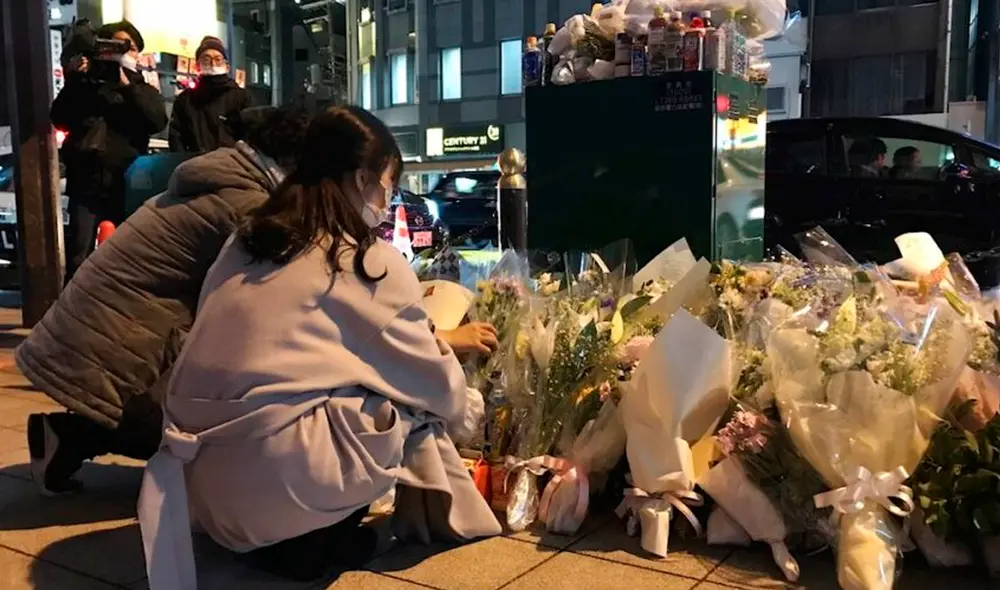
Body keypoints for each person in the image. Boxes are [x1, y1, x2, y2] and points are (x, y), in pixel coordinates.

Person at [17, 102, 498, 497]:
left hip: (94, 335)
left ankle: (73, 437)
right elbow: (347, 307)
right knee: (191, 429)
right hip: (110, 346)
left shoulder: (230, 185)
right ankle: (75, 437)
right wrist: (439, 340)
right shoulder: (253, 214)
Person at [137, 105, 502, 587]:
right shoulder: (365, 261)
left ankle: (290, 533)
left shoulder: (247, 241)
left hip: (196, 488)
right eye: (388, 184)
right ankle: (312, 537)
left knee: (339, 385)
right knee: (402, 405)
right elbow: (438, 388)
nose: (387, 199)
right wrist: (469, 404)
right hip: (271, 486)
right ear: (362, 178)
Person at [52, 20, 168, 281]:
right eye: (116, 46)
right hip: (87, 182)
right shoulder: (86, 83)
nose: (124, 53)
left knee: (127, 253)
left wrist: (129, 86)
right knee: (79, 254)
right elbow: (59, 118)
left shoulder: (142, 86)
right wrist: (75, 80)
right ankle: (74, 312)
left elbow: (157, 121)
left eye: (131, 48)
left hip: (127, 183)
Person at [168, 36, 253, 153]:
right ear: (197, 65)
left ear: (227, 66)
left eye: (218, 59)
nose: (213, 63)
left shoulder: (242, 97)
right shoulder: (185, 99)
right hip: (194, 165)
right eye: (206, 59)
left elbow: (252, 134)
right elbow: (176, 136)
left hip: (231, 166)